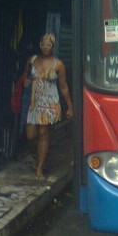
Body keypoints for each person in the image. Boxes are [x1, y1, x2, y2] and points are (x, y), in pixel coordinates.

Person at [24, 33, 73, 180]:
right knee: (31, 135)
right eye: (44, 44)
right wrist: (26, 81)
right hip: (35, 101)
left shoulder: (59, 65)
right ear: (40, 45)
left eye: (49, 45)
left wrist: (70, 106)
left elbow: (64, 87)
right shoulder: (32, 60)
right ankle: (38, 156)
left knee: (43, 133)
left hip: (50, 102)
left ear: (53, 47)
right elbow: (26, 76)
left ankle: (39, 168)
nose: (46, 47)